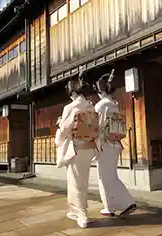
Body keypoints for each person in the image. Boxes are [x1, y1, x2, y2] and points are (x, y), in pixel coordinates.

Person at [55, 72, 99, 228]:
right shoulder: (90, 105)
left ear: (73, 93)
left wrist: (59, 130)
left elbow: (65, 129)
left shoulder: (70, 107)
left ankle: (82, 214)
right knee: (82, 180)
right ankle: (74, 211)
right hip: (88, 147)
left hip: (75, 148)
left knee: (75, 182)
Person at [93, 69, 137, 218]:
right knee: (110, 175)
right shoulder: (114, 104)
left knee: (104, 177)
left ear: (101, 91)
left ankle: (123, 203)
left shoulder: (100, 106)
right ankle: (112, 205)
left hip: (104, 144)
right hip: (115, 144)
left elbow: (95, 127)